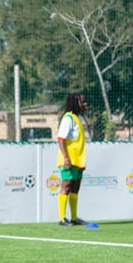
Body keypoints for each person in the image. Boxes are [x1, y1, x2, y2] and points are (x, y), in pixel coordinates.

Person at [56, 93, 88, 227]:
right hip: (69, 160)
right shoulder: (68, 118)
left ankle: (74, 218)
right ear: (75, 103)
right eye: (83, 102)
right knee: (66, 186)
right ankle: (62, 218)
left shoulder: (76, 118)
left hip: (78, 160)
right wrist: (66, 158)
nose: (85, 104)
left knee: (75, 187)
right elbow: (61, 139)